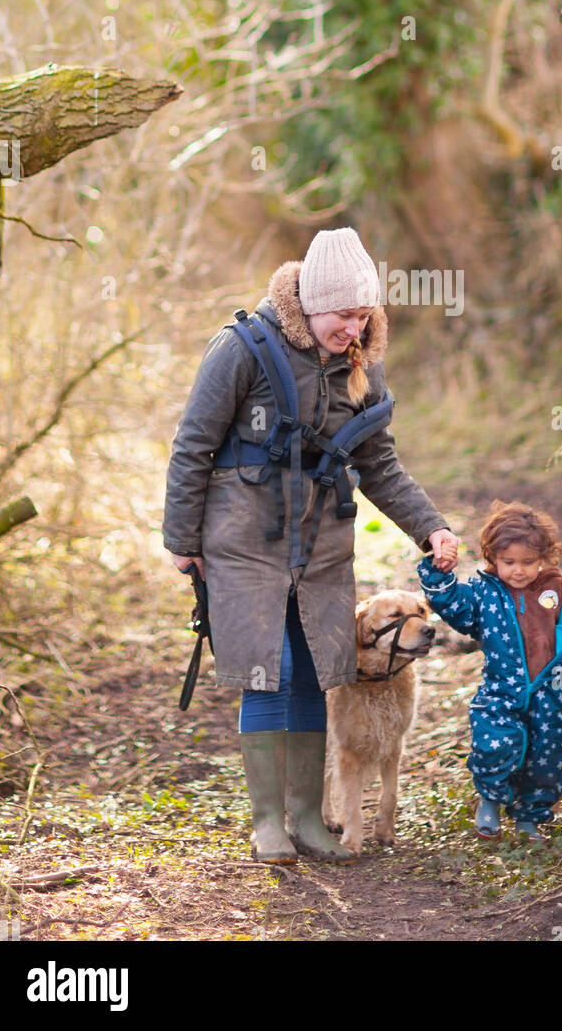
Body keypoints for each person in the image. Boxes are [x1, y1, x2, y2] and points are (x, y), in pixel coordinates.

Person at [163, 227, 459, 863]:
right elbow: (193, 444)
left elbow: (379, 462)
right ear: (309, 302)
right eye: (342, 314)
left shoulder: (361, 367)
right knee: (269, 672)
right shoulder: (241, 348)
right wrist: (183, 538)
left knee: (316, 674)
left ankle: (307, 818)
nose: (352, 328)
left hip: (321, 546)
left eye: (363, 315)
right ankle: (268, 821)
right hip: (243, 538)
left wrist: (430, 525)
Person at [416, 499, 562, 840]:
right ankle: (491, 801)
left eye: (528, 562)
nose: (518, 570)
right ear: (492, 557)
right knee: (495, 745)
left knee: (546, 762)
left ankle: (528, 819)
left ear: (544, 558)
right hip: (500, 693)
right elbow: (450, 603)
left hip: (554, 700)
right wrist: (439, 571)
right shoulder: (483, 596)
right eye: (508, 562)